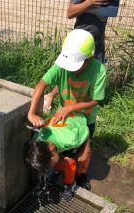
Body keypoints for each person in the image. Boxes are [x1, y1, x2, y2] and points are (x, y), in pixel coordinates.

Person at [29, 29, 106, 190]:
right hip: (65, 119)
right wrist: (32, 112)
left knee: (84, 153)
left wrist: (70, 107)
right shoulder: (62, 65)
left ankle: (81, 174)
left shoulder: (98, 70)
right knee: (68, 151)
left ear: (89, 57)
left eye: (76, 66)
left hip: (86, 117)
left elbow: (96, 100)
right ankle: (64, 170)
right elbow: (41, 84)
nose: (71, 70)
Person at [25, 112, 90, 201]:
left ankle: (70, 184)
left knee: (69, 163)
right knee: (58, 161)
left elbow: (85, 131)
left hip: (78, 122)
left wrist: (86, 150)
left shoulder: (71, 140)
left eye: (51, 164)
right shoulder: (37, 142)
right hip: (61, 125)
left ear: (52, 154)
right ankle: (57, 171)